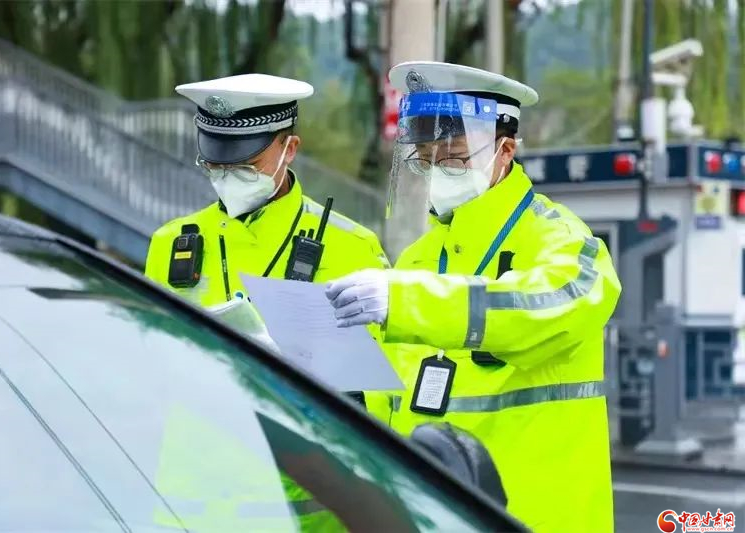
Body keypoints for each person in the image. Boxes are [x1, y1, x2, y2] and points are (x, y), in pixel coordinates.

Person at [325, 61, 621, 533]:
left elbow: (550, 303)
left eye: (455, 156)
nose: (437, 170)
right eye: (426, 158)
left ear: (505, 150)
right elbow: (393, 397)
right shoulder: (419, 259)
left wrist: (408, 303)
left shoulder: (562, 241)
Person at [145, 73, 392, 531]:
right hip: (191, 508)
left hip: (299, 510)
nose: (227, 178)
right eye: (215, 165)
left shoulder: (350, 247)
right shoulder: (171, 242)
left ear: (289, 148)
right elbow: (150, 369)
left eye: (246, 165)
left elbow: (377, 401)